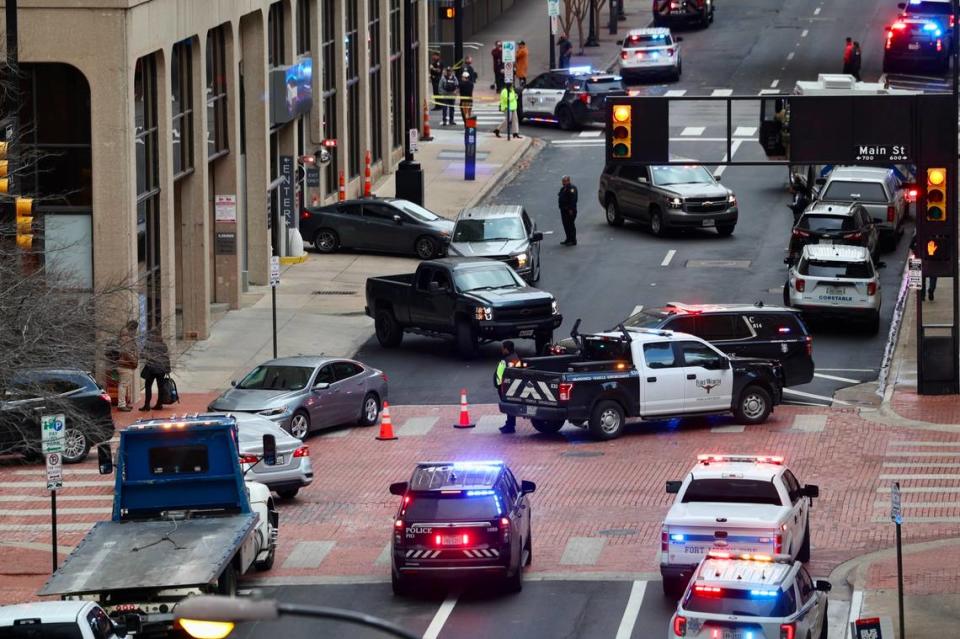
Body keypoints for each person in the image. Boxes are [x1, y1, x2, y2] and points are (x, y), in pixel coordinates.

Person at [140, 327, 170, 411]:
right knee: (160, 387)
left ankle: (147, 405)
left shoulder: (148, 344)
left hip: (151, 368)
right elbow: (166, 357)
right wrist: (168, 369)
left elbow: (142, 354)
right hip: (161, 369)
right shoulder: (163, 344)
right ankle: (159, 404)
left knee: (148, 386)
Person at [495, 341, 521, 434]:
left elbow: (499, 376)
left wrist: (499, 387)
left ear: (506, 349)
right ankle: (510, 424)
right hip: (514, 386)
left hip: (505, 388)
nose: (502, 350)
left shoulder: (504, 361)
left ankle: (510, 426)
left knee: (508, 407)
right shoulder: (516, 358)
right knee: (511, 407)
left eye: (503, 348)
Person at [116, 320, 140, 411]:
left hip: (125, 364)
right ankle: (121, 404)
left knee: (124, 385)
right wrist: (133, 360)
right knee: (123, 385)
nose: (136, 332)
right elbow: (126, 352)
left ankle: (123, 403)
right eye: (135, 329)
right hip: (125, 365)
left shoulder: (125, 337)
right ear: (133, 329)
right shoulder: (126, 338)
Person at [910, 232, 938, 301]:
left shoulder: (918, 235)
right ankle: (931, 289)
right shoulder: (933, 235)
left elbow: (911, 246)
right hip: (931, 259)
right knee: (933, 276)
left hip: (920, 258)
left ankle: (922, 295)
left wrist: (916, 250)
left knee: (921, 278)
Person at [558, 175, 578, 246]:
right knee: (565, 225)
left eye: (565, 181)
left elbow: (573, 200)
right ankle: (568, 238)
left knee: (570, 225)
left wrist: (570, 209)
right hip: (563, 210)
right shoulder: (563, 188)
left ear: (569, 181)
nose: (563, 183)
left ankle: (573, 240)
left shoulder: (572, 189)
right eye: (563, 181)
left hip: (569, 210)